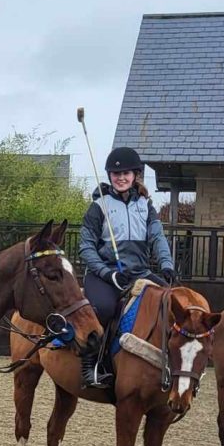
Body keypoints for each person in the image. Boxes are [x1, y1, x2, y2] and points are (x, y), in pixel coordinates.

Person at [78, 146, 176, 389]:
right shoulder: (98, 206)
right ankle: (92, 364)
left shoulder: (146, 205)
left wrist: (166, 264)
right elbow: (86, 247)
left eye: (126, 174)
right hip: (104, 274)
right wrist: (106, 272)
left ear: (135, 175)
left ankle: (172, 364)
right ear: (109, 176)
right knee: (103, 308)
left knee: (174, 304)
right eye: (115, 174)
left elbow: (157, 238)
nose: (121, 178)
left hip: (138, 273)